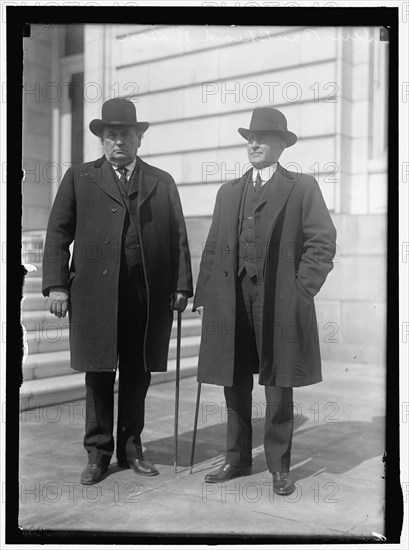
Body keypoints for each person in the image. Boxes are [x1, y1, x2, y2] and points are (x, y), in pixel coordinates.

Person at [42, 98, 193, 485]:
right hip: (94, 294)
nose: (118, 142)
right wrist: (57, 284)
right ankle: (97, 453)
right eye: (111, 136)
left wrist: (180, 285)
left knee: (138, 372)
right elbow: (58, 231)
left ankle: (131, 448)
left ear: (139, 138)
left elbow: (178, 236)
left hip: (146, 294)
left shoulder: (161, 180)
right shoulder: (80, 176)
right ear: (102, 141)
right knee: (98, 373)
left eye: (126, 134)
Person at [193, 107, 336, 495]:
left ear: (280, 145)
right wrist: (204, 293)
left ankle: (279, 467)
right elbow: (213, 246)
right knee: (233, 379)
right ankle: (237, 459)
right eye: (250, 138)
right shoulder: (229, 192)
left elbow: (322, 243)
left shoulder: (302, 187)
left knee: (278, 382)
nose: (254, 144)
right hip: (231, 297)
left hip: (278, 299)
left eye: (263, 138)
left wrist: (301, 288)